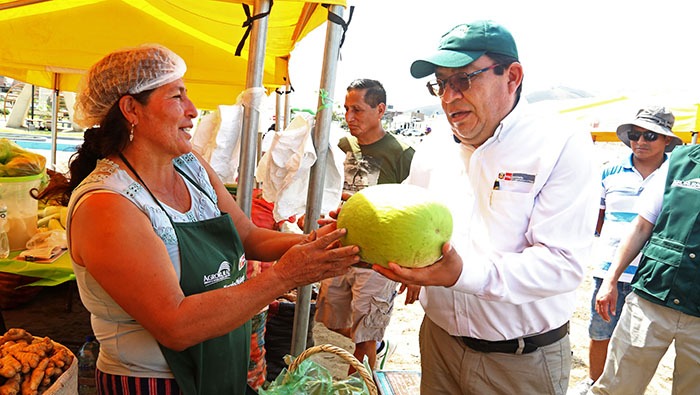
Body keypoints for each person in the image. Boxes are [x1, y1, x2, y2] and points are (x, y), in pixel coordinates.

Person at [33, 44, 360, 395]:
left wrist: (325, 244)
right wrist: (286, 275)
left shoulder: (190, 166)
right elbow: (175, 324)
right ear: (131, 109)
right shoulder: (107, 204)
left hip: (220, 367)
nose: (192, 111)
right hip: (153, 384)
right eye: (177, 97)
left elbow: (249, 236)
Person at [372, 20, 599, 394]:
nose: (448, 98)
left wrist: (461, 274)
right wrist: (370, 228)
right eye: (441, 84)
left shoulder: (560, 143)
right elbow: (407, 214)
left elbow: (561, 265)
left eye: (463, 79)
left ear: (512, 77)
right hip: (439, 344)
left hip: (519, 362)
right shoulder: (435, 146)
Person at [569, 106, 682, 395]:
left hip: (653, 275)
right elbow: (597, 218)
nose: (640, 141)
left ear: (667, 140)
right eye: (634, 134)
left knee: (638, 342)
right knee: (600, 331)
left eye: (650, 136)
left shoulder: (677, 178)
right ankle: (595, 383)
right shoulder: (609, 171)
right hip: (608, 269)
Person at [314, 78, 415, 372]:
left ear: (380, 109)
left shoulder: (402, 154)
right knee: (330, 321)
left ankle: (361, 383)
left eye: (357, 110)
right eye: (346, 109)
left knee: (363, 340)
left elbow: (414, 210)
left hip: (377, 261)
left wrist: (411, 265)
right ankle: (380, 343)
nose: (348, 118)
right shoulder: (340, 145)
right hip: (340, 250)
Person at [591, 143, 698, 394]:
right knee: (617, 385)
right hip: (653, 295)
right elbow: (641, 226)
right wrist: (611, 279)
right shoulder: (679, 162)